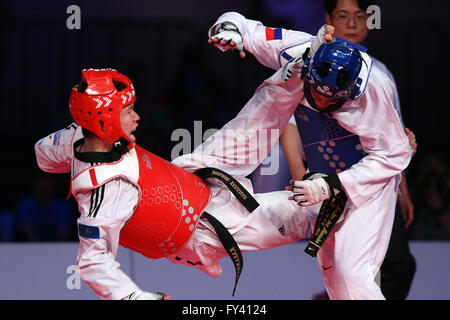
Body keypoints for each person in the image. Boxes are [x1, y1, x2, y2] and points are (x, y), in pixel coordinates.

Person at [34, 67, 321, 300]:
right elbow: (93, 262)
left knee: (260, 115)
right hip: (202, 228)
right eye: (128, 111)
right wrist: (137, 297)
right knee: (309, 211)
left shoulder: (76, 137)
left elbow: (42, 154)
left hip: (192, 174)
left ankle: (304, 62)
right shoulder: (106, 190)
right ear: (104, 120)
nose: (137, 117)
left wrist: (74, 152)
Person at [208, 11, 413, 299]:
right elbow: (252, 30)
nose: (322, 100)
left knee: (351, 272)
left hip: (367, 188)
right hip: (318, 181)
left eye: (332, 98)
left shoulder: (374, 88)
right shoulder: (302, 50)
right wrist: (230, 29)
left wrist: (332, 185)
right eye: (317, 92)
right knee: (333, 276)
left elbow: (394, 153)